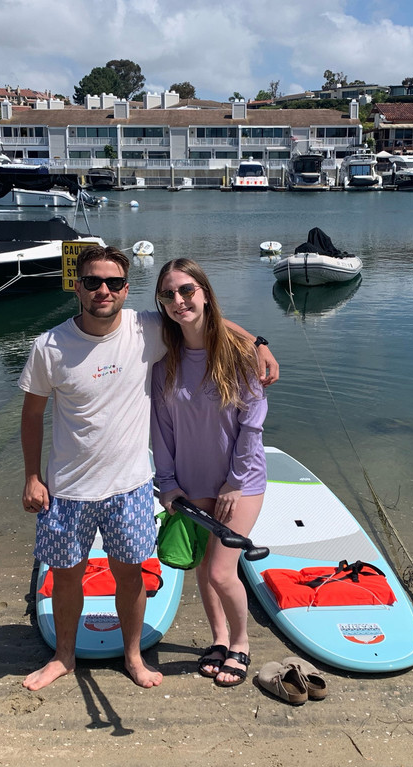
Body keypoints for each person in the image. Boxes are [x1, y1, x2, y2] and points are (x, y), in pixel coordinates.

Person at [19, 245, 277, 690]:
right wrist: (31, 476)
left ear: (126, 289)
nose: (104, 290)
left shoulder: (146, 327)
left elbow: (205, 318)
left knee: (132, 576)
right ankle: (63, 657)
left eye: (115, 283)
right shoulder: (51, 345)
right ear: (76, 286)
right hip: (68, 488)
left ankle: (136, 656)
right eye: (94, 282)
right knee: (66, 580)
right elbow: (31, 414)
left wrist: (258, 342)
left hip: (131, 487)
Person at [150, 258, 267, 687]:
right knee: (202, 568)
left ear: (204, 293)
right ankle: (218, 639)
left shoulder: (239, 353)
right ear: (160, 303)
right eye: (168, 294)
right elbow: (160, 430)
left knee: (222, 571)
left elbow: (252, 424)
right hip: (189, 481)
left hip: (242, 481)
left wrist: (235, 481)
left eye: (186, 291)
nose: (179, 300)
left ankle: (241, 644)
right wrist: (167, 483)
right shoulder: (164, 361)